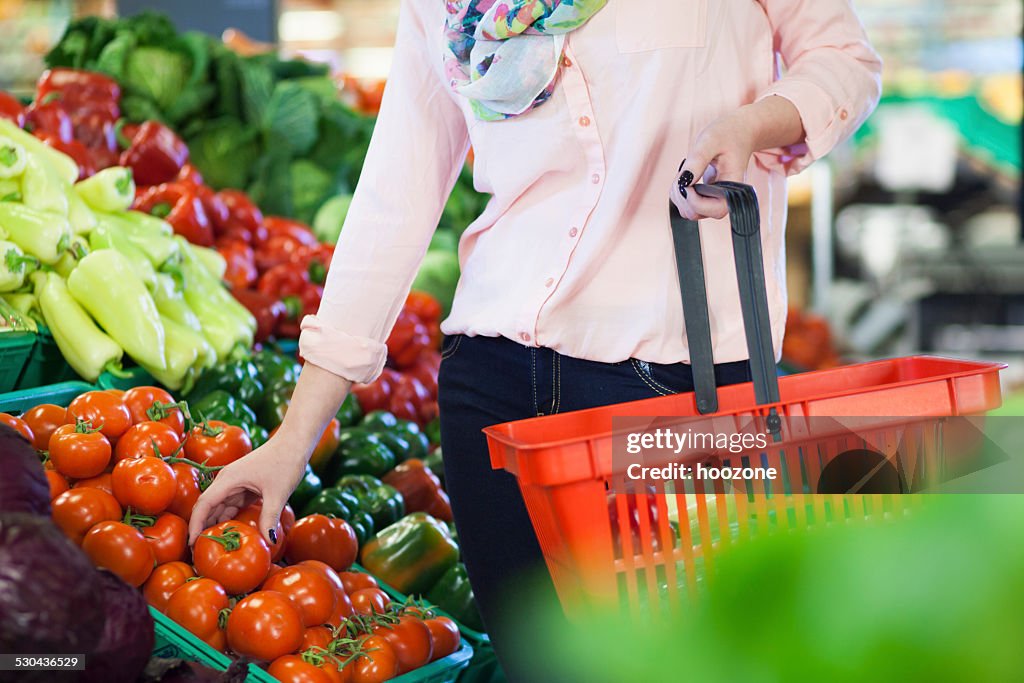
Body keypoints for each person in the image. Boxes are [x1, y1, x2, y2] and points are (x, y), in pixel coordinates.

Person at [189, 0, 881, 679]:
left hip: (670, 385)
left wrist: (753, 123)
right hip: (488, 387)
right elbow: (396, 193)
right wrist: (291, 440)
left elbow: (845, 61)